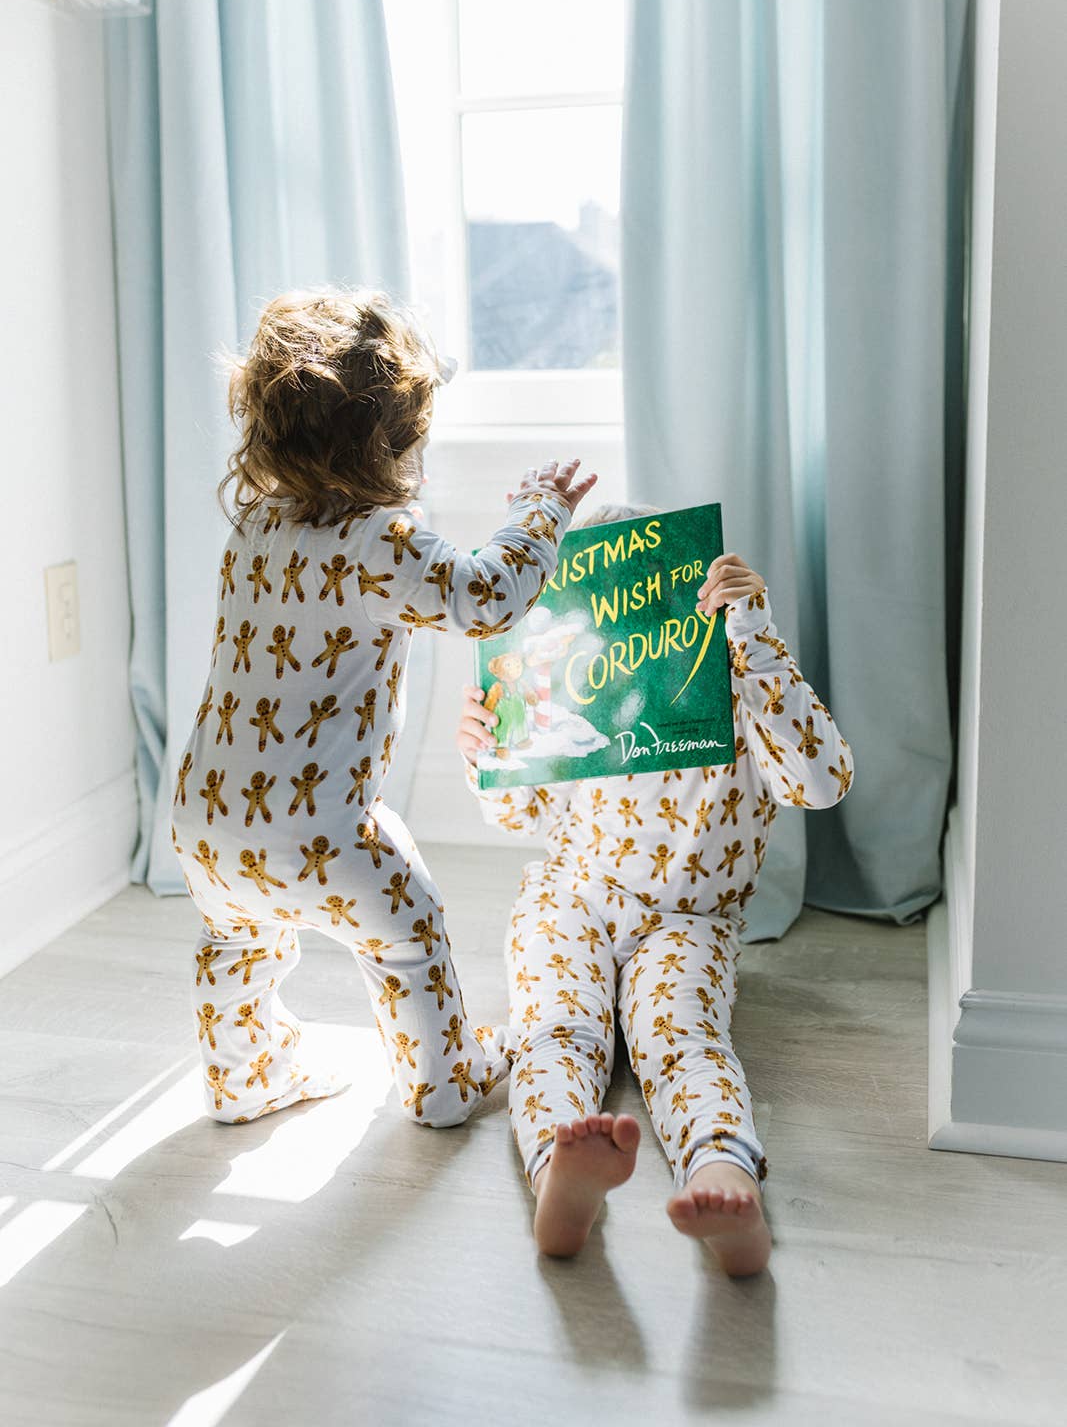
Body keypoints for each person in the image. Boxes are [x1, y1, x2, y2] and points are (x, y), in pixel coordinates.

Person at [172, 286, 596, 1126]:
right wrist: (539, 514)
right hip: (319, 831)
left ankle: (244, 1080)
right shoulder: (378, 542)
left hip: (204, 818)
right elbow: (483, 598)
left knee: (237, 942)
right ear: (378, 450)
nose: (418, 464)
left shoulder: (255, 527)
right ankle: (446, 1084)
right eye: (409, 446)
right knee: (408, 938)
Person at [456, 503, 853, 1272]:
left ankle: (722, 1171)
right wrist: (486, 749)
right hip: (568, 896)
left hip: (687, 919)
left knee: (683, 1043)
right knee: (555, 1033)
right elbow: (519, 810)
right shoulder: (573, 685)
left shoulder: (740, 685)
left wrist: (755, 646)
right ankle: (557, 1174)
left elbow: (820, 782)